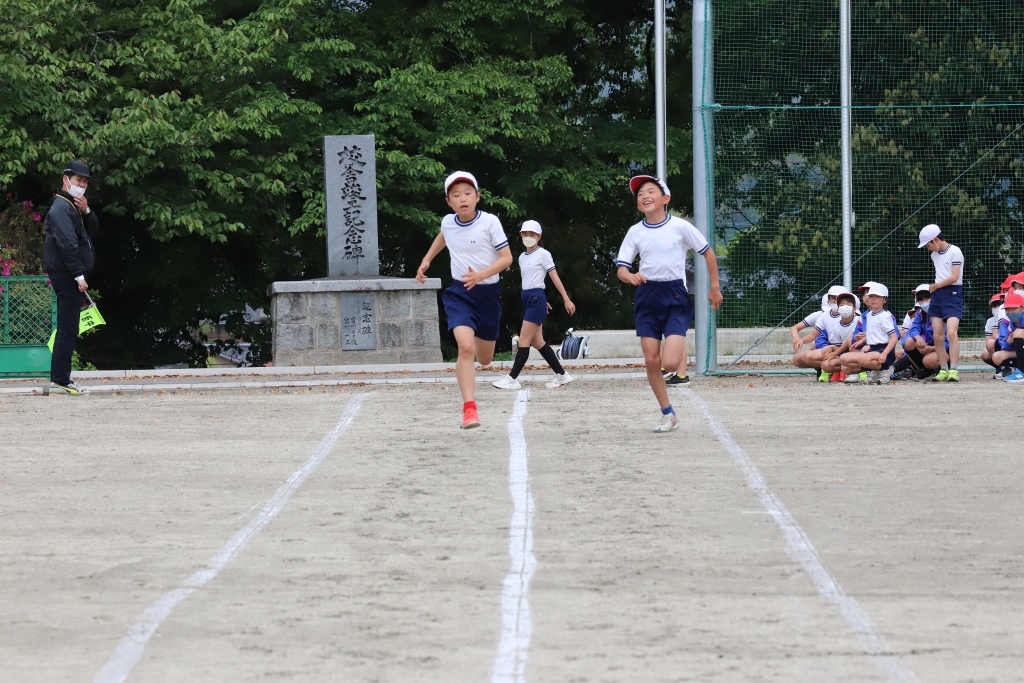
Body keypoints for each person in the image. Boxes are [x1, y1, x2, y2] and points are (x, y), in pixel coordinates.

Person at [615, 175, 723, 433]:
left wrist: (714, 287)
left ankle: (674, 346)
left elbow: (707, 252)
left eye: (650, 191)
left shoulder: (680, 226)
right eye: (640, 194)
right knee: (651, 361)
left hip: (675, 295)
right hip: (647, 295)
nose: (644, 196)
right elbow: (621, 268)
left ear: (665, 198)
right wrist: (630, 276)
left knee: (671, 364)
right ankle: (668, 413)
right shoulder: (635, 231)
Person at [416, 171, 513, 429]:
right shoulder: (448, 222)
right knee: (466, 347)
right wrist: (426, 260)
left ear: (477, 197)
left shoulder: (490, 222)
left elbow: (507, 259)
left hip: (488, 293)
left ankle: (480, 356)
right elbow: (443, 235)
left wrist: (480, 275)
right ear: (448, 202)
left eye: (468, 193)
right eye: (456, 195)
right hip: (460, 293)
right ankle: (469, 409)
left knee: (485, 359)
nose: (462, 199)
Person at [492, 220, 576, 390]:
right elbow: (531, 280)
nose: (528, 237)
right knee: (538, 342)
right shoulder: (522, 257)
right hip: (529, 298)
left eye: (532, 234)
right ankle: (562, 375)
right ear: (521, 235)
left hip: (536, 299)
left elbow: (554, 277)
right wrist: (541, 299)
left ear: (539, 237)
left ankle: (512, 378)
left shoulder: (544, 254)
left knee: (524, 340)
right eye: (525, 234)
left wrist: (566, 299)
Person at [43, 160, 98, 396]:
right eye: (78, 180)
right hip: (66, 275)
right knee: (68, 328)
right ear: (65, 180)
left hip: (68, 274)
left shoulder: (72, 206)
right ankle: (61, 380)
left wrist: (87, 210)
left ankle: (59, 378)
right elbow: (67, 245)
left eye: (85, 182)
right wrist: (78, 275)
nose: (82, 185)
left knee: (67, 327)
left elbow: (91, 232)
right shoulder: (60, 208)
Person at [918, 224, 963, 382]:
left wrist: (935, 286)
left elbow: (954, 277)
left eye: (928, 245)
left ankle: (954, 370)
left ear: (935, 240)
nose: (928, 248)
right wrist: (936, 288)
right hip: (937, 295)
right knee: (937, 335)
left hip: (952, 294)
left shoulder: (955, 251)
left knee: (951, 332)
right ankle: (943, 370)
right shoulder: (934, 255)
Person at [838, 283, 899, 384]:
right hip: (872, 349)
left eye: (877, 296)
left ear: (884, 299)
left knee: (863, 359)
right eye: (871, 296)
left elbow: (894, 337)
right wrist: (862, 340)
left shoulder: (885, 316)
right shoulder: (868, 315)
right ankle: (876, 370)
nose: (873, 299)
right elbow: (873, 332)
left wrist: (884, 354)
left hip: (884, 350)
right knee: (843, 358)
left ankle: (886, 369)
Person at [816, 291, 859, 381]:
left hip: (859, 351)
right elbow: (839, 346)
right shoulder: (836, 327)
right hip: (845, 353)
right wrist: (831, 348)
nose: (845, 307)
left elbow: (849, 340)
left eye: (848, 304)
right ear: (838, 309)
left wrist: (834, 353)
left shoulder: (858, 320)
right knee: (826, 364)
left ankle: (855, 372)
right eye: (842, 305)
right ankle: (839, 372)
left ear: (854, 309)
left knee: (851, 342)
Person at [993, 293, 1024, 383]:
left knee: (1018, 333)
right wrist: (1009, 341)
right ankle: (1016, 370)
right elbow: (1003, 345)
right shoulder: (1007, 322)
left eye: (1014, 309)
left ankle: (1021, 372)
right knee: (997, 357)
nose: (1010, 312)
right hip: (1019, 351)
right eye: (1007, 309)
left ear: (1022, 308)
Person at [982, 293, 1005, 378]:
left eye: (999, 304)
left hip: (1008, 342)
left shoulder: (1008, 316)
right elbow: (989, 341)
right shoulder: (990, 321)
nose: (997, 307)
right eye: (994, 306)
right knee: (985, 352)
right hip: (999, 343)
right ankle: (1000, 367)